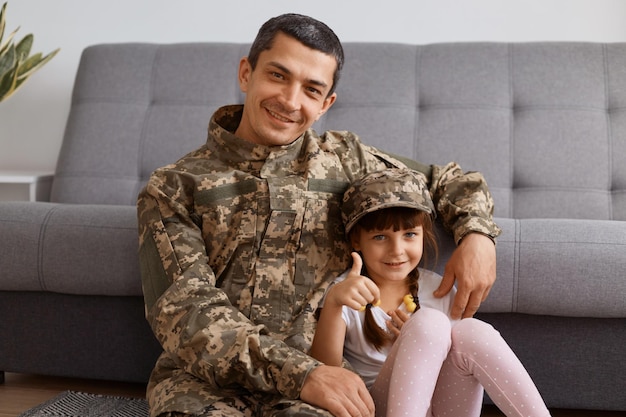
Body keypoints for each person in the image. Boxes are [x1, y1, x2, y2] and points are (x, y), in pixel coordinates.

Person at [137, 12, 501, 417]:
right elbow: (184, 313)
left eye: (311, 89)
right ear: (246, 73)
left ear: (326, 103)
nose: (290, 101)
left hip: (319, 385)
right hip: (206, 384)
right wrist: (301, 374)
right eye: (277, 75)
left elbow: (449, 181)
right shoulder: (174, 186)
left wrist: (478, 235)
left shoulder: (345, 160)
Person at [310, 168, 549, 417]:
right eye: (381, 237)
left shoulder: (437, 288)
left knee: (472, 330)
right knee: (430, 321)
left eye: (410, 235)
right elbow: (327, 370)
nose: (397, 250)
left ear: (424, 235)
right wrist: (335, 303)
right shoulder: (347, 292)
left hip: (443, 406)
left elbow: (459, 359)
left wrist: (415, 339)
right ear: (357, 241)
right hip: (380, 407)